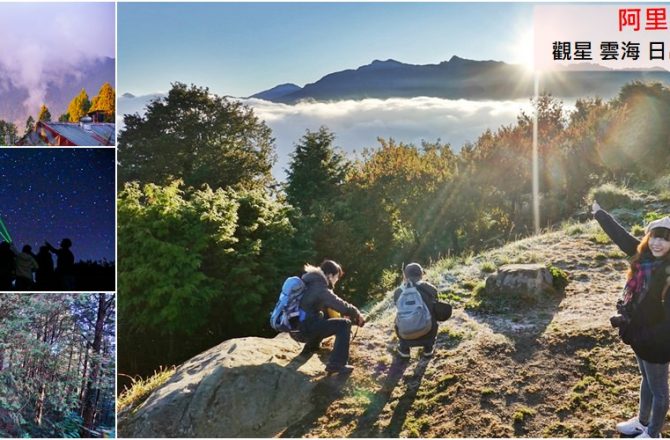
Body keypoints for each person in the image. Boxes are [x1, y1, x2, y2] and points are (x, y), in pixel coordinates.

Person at [593, 201, 670, 438]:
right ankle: (642, 422)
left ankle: (653, 434)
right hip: (638, 335)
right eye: (655, 236)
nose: (658, 242)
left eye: (666, 238)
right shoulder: (643, 258)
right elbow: (622, 237)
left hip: (658, 341)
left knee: (659, 391)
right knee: (646, 379)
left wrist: (647, 336)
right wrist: (600, 213)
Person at [298, 259, 365, 374]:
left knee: (320, 315)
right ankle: (336, 364)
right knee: (344, 324)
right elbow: (339, 304)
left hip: (297, 326)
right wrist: (356, 313)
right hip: (305, 330)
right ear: (329, 275)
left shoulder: (309, 281)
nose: (336, 281)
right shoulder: (319, 287)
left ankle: (311, 347)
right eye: (336, 277)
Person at [393, 262, 438, 359]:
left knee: (397, 318)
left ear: (405, 275)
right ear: (421, 274)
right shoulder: (430, 288)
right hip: (426, 330)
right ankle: (428, 348)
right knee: (432, 314)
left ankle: (404, 349)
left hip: (405, 333)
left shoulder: (398, 292)